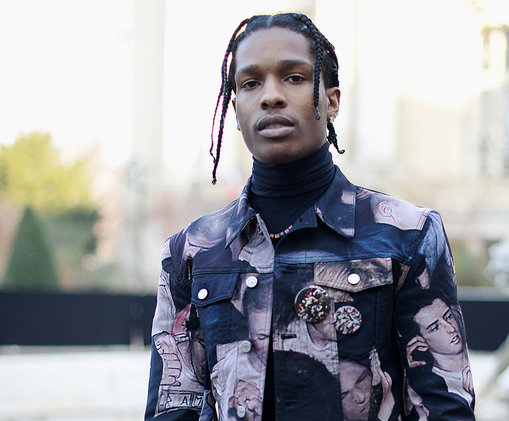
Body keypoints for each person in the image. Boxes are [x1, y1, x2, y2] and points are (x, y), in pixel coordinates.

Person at [145, 12, 475, 420]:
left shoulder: (408, 235)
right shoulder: (191, 251)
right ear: (235, 109)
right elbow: (172, 406)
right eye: (251, 83)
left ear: (332, 101)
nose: (271, 96)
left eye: (294, 77)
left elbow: (444, 405)